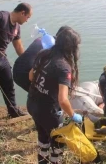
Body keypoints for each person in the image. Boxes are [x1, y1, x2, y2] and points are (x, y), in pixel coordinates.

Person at [27, 26, 83, 164]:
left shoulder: (43, 53)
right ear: (71, 48)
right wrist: (73, 115)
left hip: (32, 103)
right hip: (48, 111)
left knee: (43, 136)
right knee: (58, 142)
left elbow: (30, 76)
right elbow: (63, 100)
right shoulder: (64, 67)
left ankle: (43, 161)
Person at [13, 26, 69, 92]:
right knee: (43, 95)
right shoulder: (54, 47)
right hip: (26, 74)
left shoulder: (42, 38)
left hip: (16, 70)